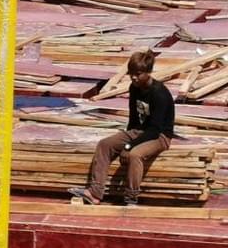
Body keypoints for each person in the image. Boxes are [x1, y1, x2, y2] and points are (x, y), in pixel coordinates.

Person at [72, 50, 174, 206]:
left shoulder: (159, 93)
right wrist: (126, 138)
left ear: (148, 73)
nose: (134, 77)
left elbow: (154, 129)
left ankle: (131, 198)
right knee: (104, 144)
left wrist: (129, 146)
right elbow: (133, 118)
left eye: (138, 74)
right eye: (131, 73)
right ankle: (95, 192)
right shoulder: (134, 88)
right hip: (139, 131)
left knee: (134, 155)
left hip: (159, 136)